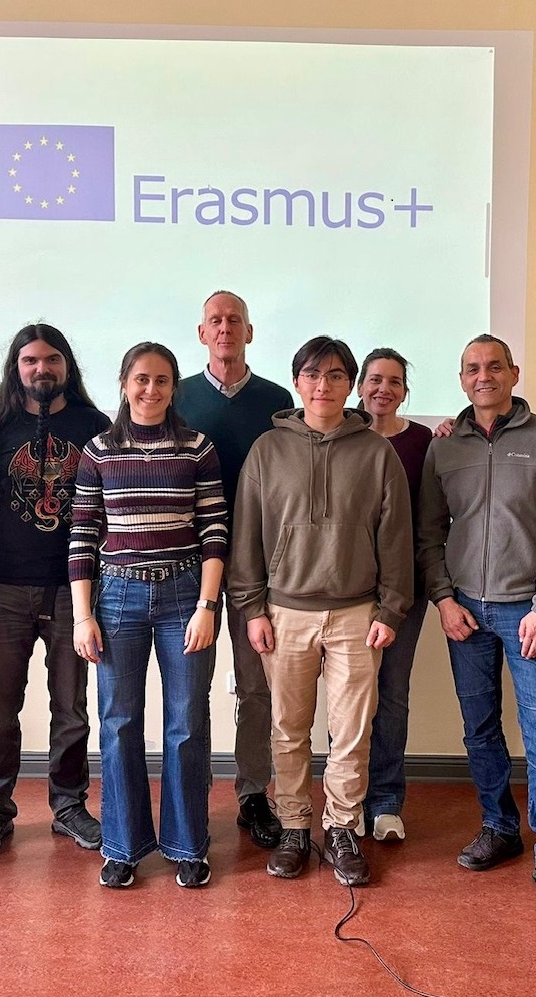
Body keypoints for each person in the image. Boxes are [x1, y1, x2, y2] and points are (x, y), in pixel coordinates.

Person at [418, 334, 536, 914]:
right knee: (481, 731)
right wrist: (444, 599)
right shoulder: (445, 447)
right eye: (473, 368)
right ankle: (499, 827)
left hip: (528, 611)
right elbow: (429, 534)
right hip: (465, 609)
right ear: (461, 377)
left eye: (495, 366)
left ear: (514, 374)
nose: (484, 376)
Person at [228, 337, 413, 887]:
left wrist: (392, 609)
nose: (323, 385)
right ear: (297, 382)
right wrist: (252, 608)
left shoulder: (376, 452)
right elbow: (247, 539)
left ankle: (341, 827)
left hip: (358, 613)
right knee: (287, 729)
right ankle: (293, 825)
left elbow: (396, 537)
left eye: (335, 376)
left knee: (351, 731)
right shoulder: (267, 449)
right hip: (285, 614)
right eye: (313, 375)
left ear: (350, 385)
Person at [68, 343, 228, 890]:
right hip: (115, 600)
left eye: (162, 380)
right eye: (141, 379)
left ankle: (187, 845)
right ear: (123, 382)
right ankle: (123, 846)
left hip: (186, 597)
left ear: (174, 387)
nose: (151, 390)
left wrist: (208, 606)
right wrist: (81, 615)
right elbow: (83, 537)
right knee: (119, 724)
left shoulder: (196, 448)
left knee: (186, 724)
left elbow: (214, 533)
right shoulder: (98, 451)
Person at [0, 323, 111, 858]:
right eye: (29, 361)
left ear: (66, 364)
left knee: (71, 708)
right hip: (2, 588)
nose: (40, 369)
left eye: (50, 359)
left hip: (74, 592)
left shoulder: (95, 425)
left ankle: (68, 807)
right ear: (16, 367)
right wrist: (1, 554)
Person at [174, 290, 292, 849]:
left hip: (256, 565)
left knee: (256, 684)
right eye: (215, 321)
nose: (225, 329)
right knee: (187, 685)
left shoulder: (277, 399)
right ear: (201, 334)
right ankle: (190, 788)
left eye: (235, 321)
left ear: (250, 331)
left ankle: (251, 793)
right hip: (184, 564)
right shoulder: (176, 396)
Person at [355, 347, 434, 842]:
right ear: (360, 386)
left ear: (405, 391)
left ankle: (385, 801)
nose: (384, 388)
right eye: (375, 379)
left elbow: (430, 517)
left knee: (392, 694)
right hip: (349, 590)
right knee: (347, 698)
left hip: (405, 591)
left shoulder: (424, 441)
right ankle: (346, 799)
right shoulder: (342, 436)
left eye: (395, 382)